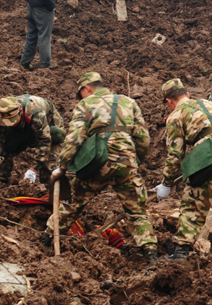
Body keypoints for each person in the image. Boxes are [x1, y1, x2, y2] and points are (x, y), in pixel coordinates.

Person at [51, 73, 158, 264]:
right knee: (138, 211)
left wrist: (63, 165)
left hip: (98, 164)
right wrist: (135, 161)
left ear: (87, 88)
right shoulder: (128, 102)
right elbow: (143, 138)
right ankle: (150, 253)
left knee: (74, 203)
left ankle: (47, 237)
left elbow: (74, 138)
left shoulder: (85, 105)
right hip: (127, 163)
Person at [154, 78, 212, 264]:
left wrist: (166, 183)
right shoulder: (211, 104)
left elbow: (175, 154)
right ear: (187, 94)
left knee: (193, 203)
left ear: (169, 101)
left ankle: (180, 253)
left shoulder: (176, 115)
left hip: (211, 156)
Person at [0, 94, 64, 185]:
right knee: (5, 147)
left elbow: (44, 142)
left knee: (48, 166)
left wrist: (33, 169)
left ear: (20, 112)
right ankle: (1, 182)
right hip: (23, 126)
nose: (10, 124)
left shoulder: (35, 112)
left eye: (12, 121)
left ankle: (48, 190)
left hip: (48, 127)